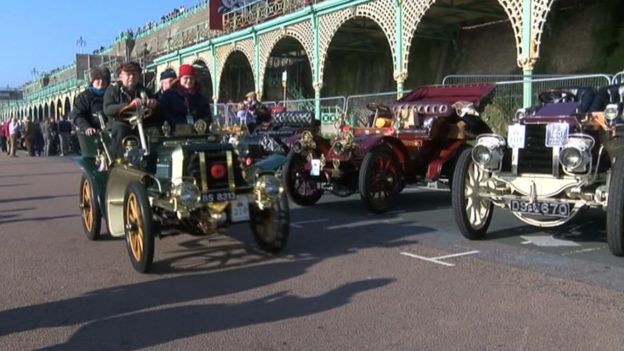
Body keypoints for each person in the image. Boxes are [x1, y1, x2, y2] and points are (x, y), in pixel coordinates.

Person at [103, 62, 158, 159]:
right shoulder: (113, 90)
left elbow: (155, 109)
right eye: (128, 74)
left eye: (135, 74)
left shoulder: (144, 91)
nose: (132, 77)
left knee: (154, 130)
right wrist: (128, 105)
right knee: (120, 130)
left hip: (141, 122)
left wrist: (153, 104)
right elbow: (107, 109)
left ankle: (151, 161)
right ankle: (119, 161)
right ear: (120, 77)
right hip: (120, 122)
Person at [159, 64, 211, 131]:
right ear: (180, 79)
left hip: (197, 131)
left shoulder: (200, 98)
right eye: (186, 78)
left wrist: (201, 124)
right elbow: (164, 114)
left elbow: (207, 116)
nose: (189, 81)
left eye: (191, 78)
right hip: (174, 132)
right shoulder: (169, 95)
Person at [71, 67, 111, 136]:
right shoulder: (84, 96)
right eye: (98, 79)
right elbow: (77, 114)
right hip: (92, 134)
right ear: (93, 81)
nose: (101, 82)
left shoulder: (112, 94)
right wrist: (86, 127)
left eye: (104, 79)